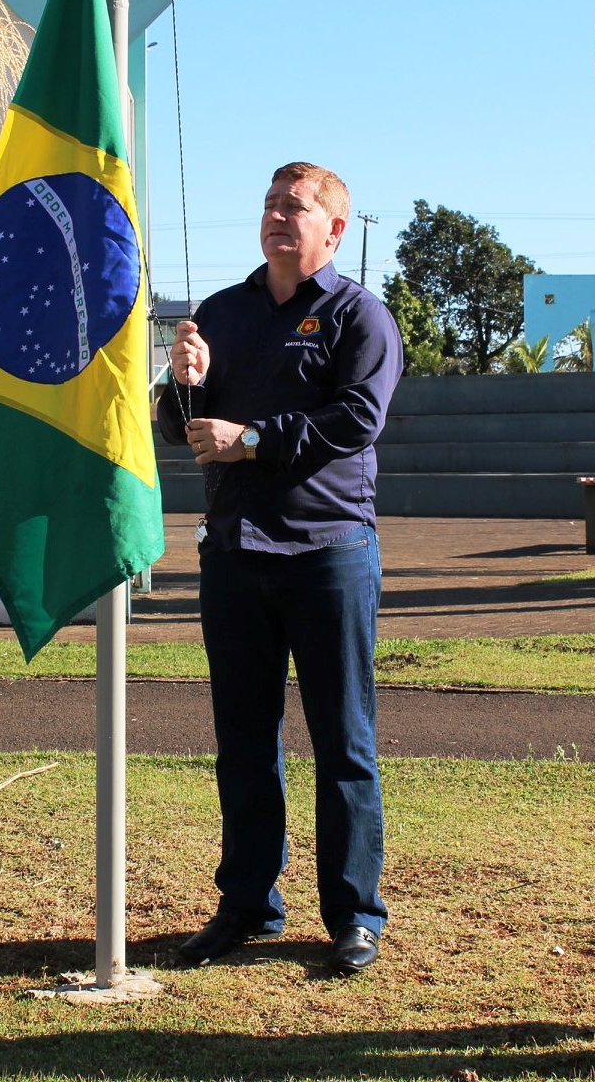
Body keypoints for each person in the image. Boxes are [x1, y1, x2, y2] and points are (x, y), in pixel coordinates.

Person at [156, 162, 403, 975]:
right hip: (234, 555)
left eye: (295, 208)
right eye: (268, 204)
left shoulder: (358, 316)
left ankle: (353, 914)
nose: (276, 217)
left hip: (328, 555)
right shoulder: (222, 312)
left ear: (335, 229)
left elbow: (358, 420)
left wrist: (251, 438)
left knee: (344, 742)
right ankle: (248, 905)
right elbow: (178, 426)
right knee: (243, 744)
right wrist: (181, 384)